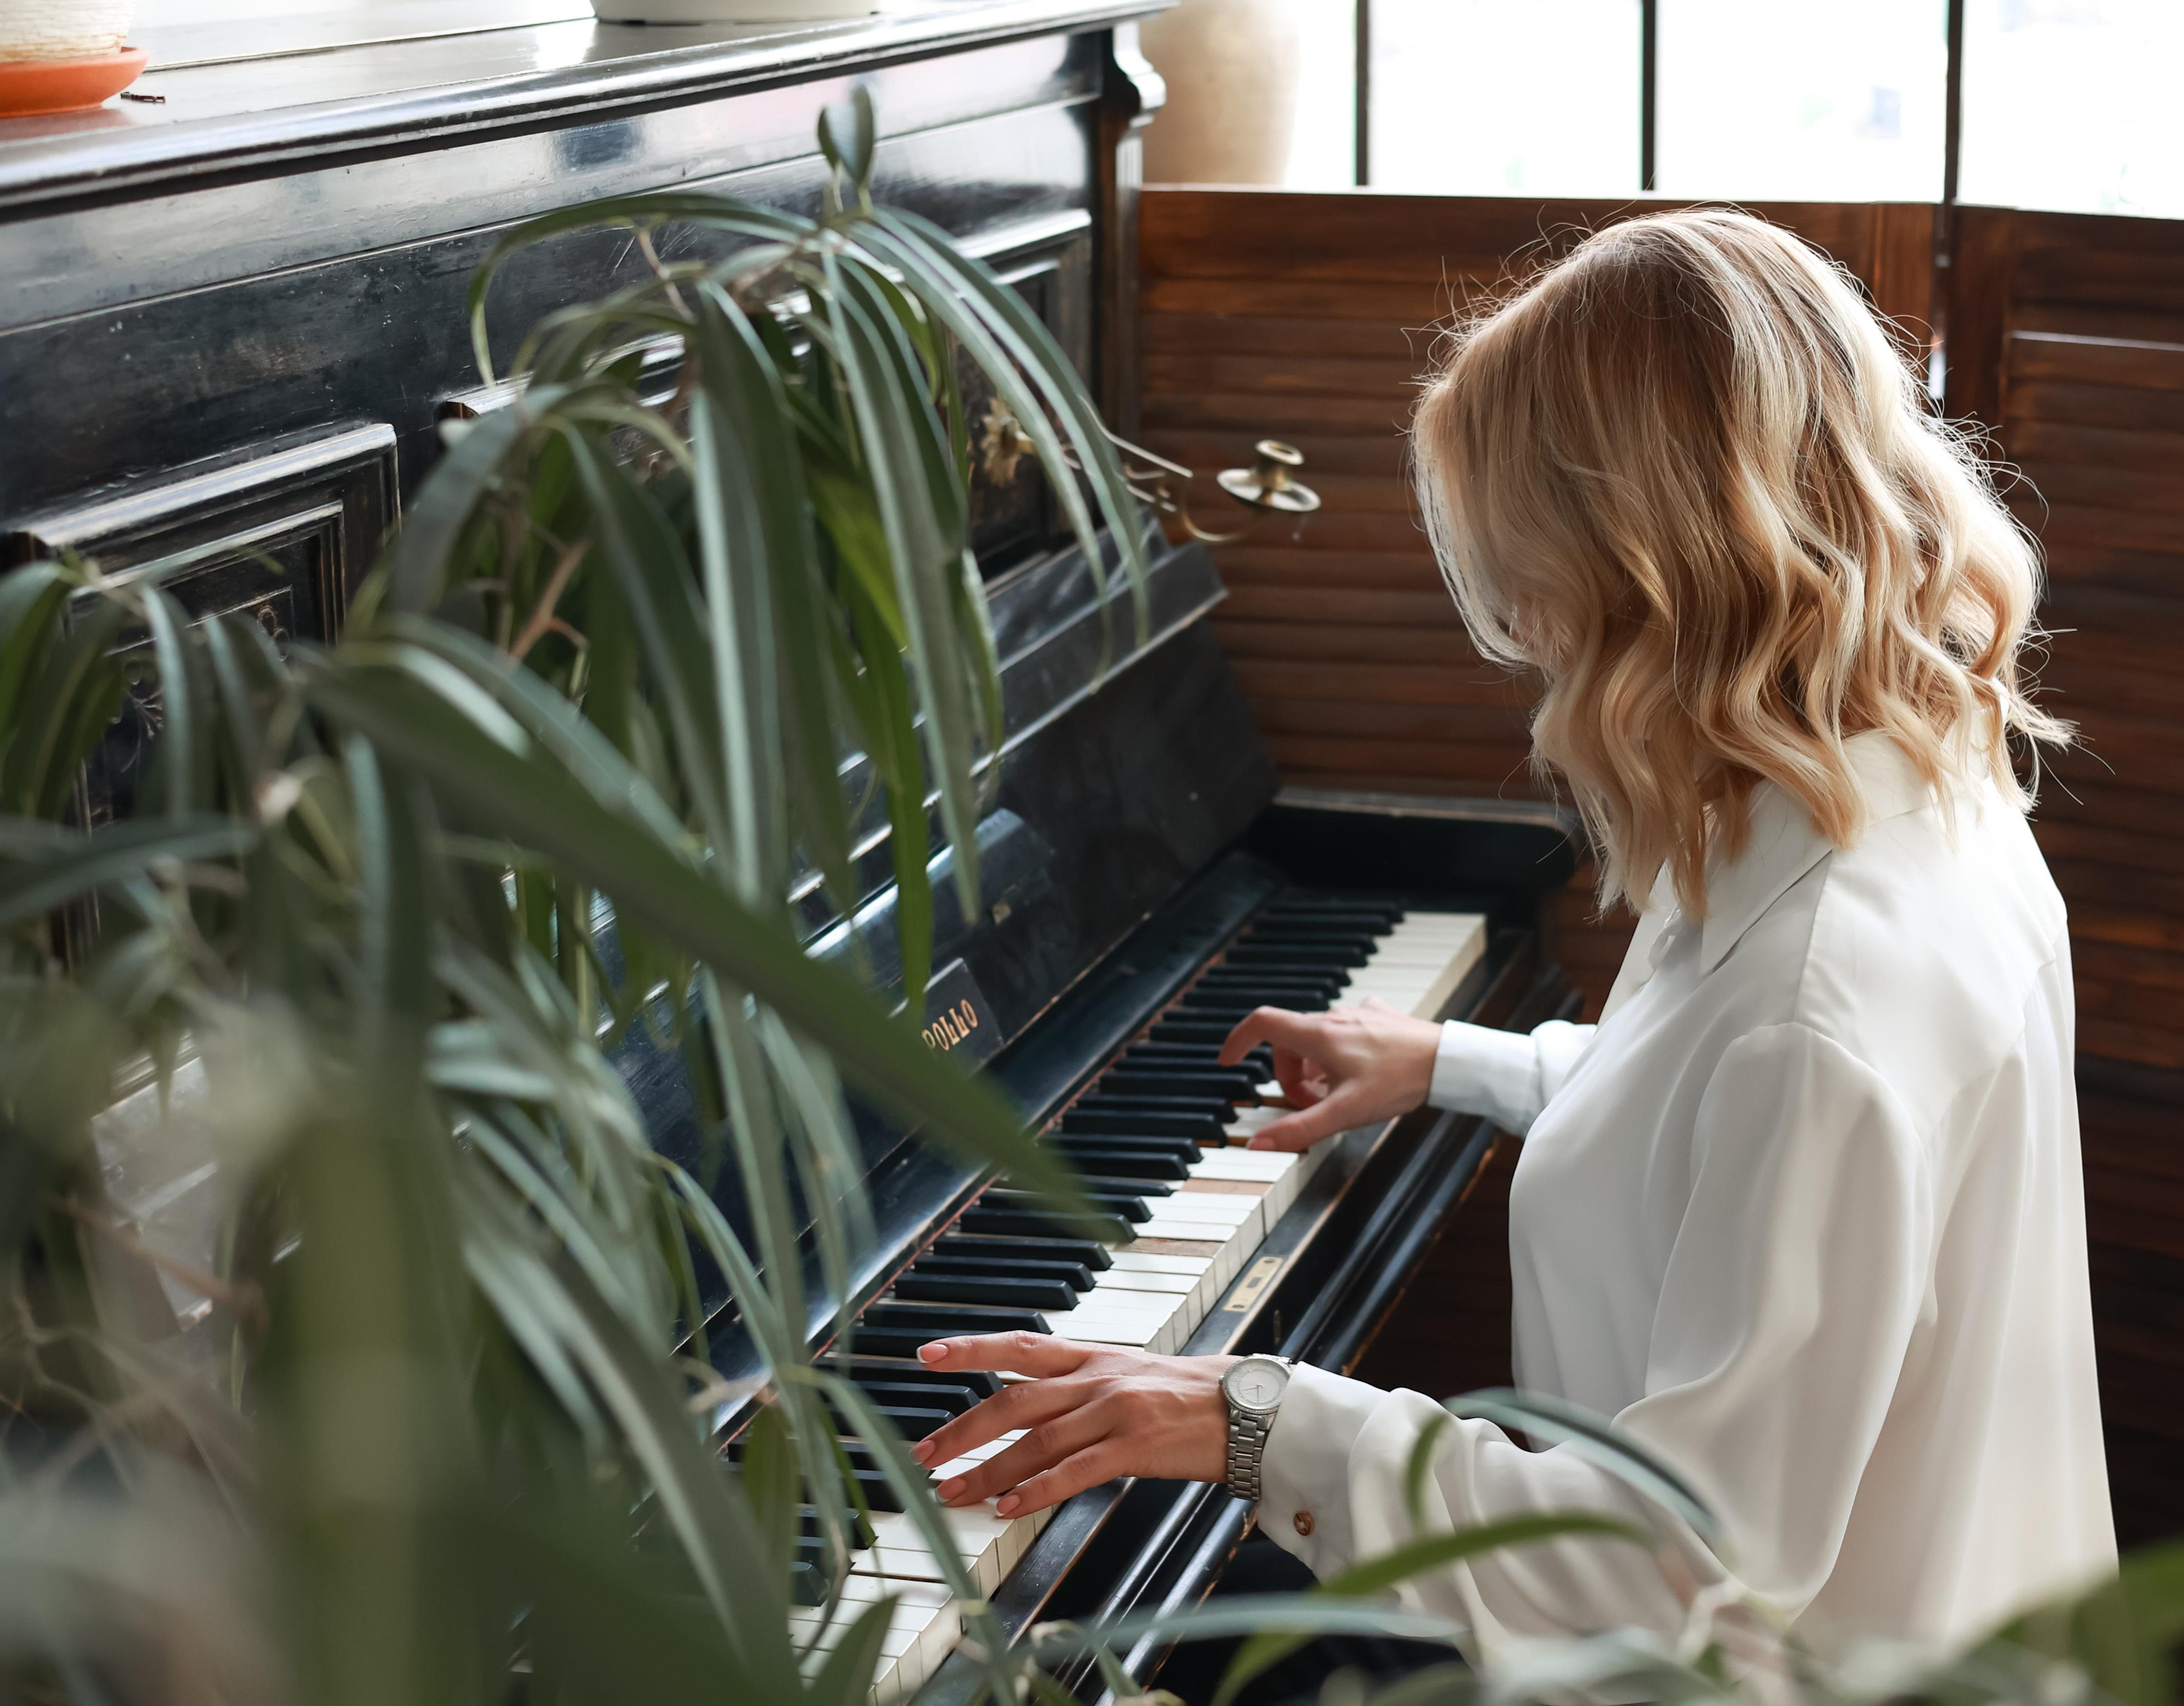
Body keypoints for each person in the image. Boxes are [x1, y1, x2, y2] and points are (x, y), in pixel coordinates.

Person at [905, 208, 2116, 1652]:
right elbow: (1727, 1146)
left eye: (1525, 576)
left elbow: (1672, 1570)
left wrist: (1243, 1413)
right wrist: (1457, 1063)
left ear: (1636, 578)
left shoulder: (1821, 1000)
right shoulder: (1897, 782)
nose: (1521, 630)